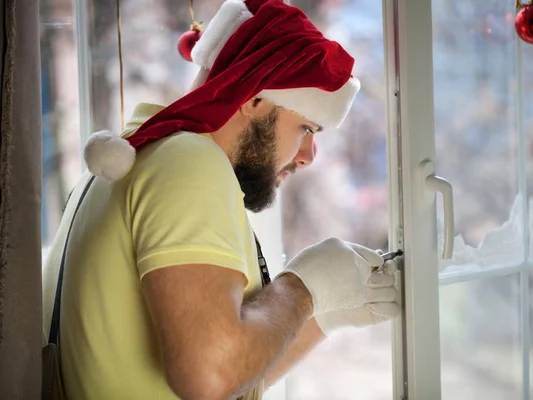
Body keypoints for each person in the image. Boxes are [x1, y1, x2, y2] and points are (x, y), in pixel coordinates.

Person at [42, 0, 401, 399]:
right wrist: (302, 288)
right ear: (254, 99)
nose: (307, 156)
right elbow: (209, 377)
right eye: (306, 128)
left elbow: (227, 367)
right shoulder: (188, 163)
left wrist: (323, 317)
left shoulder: (136, 158)